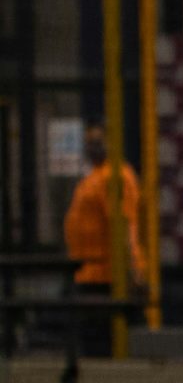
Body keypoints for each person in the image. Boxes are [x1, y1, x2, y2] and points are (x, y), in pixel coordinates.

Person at [64, 124, 145, 292]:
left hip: (109, 276)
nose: (93, 147)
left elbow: (124, 225)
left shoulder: (114, 175)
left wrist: (133, 271)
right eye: (89, 142)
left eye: (98, 141)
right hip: (89, 272)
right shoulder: (94, 175)